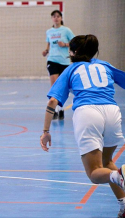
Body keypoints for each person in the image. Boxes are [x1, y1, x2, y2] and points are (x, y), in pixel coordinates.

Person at [40, 34, 125, 217]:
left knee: (94, 173)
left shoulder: (71, 69)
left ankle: (121, 176)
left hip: (88, 113)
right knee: (107, 162)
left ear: (74, 52)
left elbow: (53, 101)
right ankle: (124, 204)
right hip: (112, 111)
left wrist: (46, 131)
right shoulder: (105, 65)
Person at [42, 10, 75, 120]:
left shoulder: (66, 30)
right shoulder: (49, 31)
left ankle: (61, 109)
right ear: (52, 18)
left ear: (61, 18)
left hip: (64, 62)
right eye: (54, 16)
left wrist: (65, 44)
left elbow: (75, 42)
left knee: (63, 86)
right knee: (54, 86)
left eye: (58, 16)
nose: (56, 18)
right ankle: (55, 111)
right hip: (52, 60)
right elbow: (48, 44)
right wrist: (46, 50)